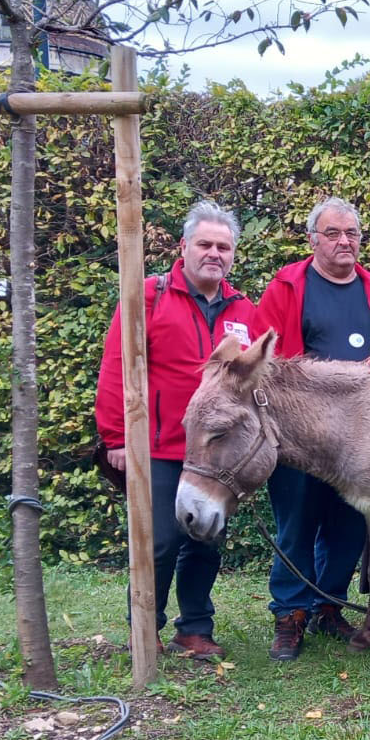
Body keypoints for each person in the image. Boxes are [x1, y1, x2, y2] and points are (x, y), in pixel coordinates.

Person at [251, 197, 370, 662]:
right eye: (333, 233)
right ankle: (290, 616)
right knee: (297, 525)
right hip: (298, 437)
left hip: (361, 441)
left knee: (348, 528)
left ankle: (327, 605)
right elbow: (258, 360)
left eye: (352, 234)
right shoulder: (287, 287)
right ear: (313, 239)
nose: (344, 242)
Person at [94, 200, 255, 661]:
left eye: (223, 247)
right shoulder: (149, 295)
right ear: (183, 246)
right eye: (205, 243)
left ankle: (195, 629)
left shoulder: (244, 308)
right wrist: (117, 439)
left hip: (214, 453)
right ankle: (144, 627)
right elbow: (115, 367)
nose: (214, 253)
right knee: (161, 540)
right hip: (160, 447)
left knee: (206, 539)